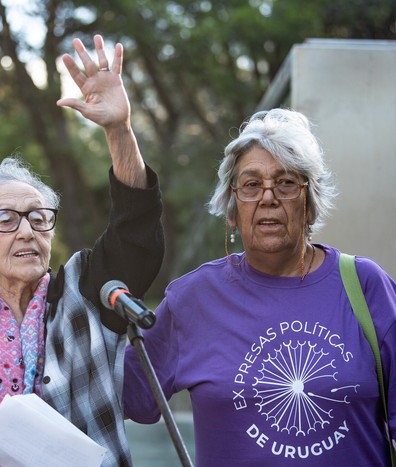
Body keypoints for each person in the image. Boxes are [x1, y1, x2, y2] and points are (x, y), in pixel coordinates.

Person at [0, 34, 164, 467]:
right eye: (5, 219)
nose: (26, 231)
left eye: (38, 217)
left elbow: (136, 229)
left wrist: (118, 129)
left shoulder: (86, 292)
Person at [123, 108, 396, 465]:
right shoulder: (194, 299)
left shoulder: (365, 285)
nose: (268, 197)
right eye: (251, 185)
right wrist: (119, 131)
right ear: (233, 210)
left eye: (285, 183)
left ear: (309, 205)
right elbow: (127, 395)